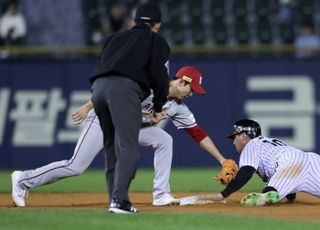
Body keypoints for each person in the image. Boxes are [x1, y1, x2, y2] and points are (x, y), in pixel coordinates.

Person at [11, 66, 232, 210]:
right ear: (181, 82)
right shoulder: (152, 83)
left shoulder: (177, 107)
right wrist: (89, 106)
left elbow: (198, 134)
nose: (192, 94)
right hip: (104, 120)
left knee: (165, 140)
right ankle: (23, 179)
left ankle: (161, 194)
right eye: (191, 89)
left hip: (131, 127)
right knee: (75, 166)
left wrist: (222, 160)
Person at [90, 2, 170, 214]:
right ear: (158, 25)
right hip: (124, 89)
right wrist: (159, 105)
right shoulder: (155, 40)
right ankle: (120, 201)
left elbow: (101, 62)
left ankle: (115, 200)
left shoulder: (114, 38)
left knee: (111, 148)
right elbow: (160, 75)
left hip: (97, 89)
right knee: (128, 147)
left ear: (134, 21)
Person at [195, 119, 320, 206]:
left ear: (244, 136)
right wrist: (290, 198)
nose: (233, 141)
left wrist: (223, 194)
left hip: (290, 163)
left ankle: (266, 196)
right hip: (311, 159)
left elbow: (246, 172)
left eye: (235, 137)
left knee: (268, 195)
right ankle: (273, 194)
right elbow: (291, 174)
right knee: (277, 188)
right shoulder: (269, 143)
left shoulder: (251, 145)